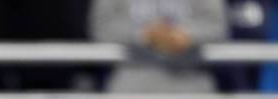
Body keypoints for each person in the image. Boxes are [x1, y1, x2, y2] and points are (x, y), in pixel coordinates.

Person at [90, 0, 228, 93]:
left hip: (191, 82)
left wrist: (184, 35)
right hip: (132, 81)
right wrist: (144, 35)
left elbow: (218, 27)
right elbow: (101, 27)